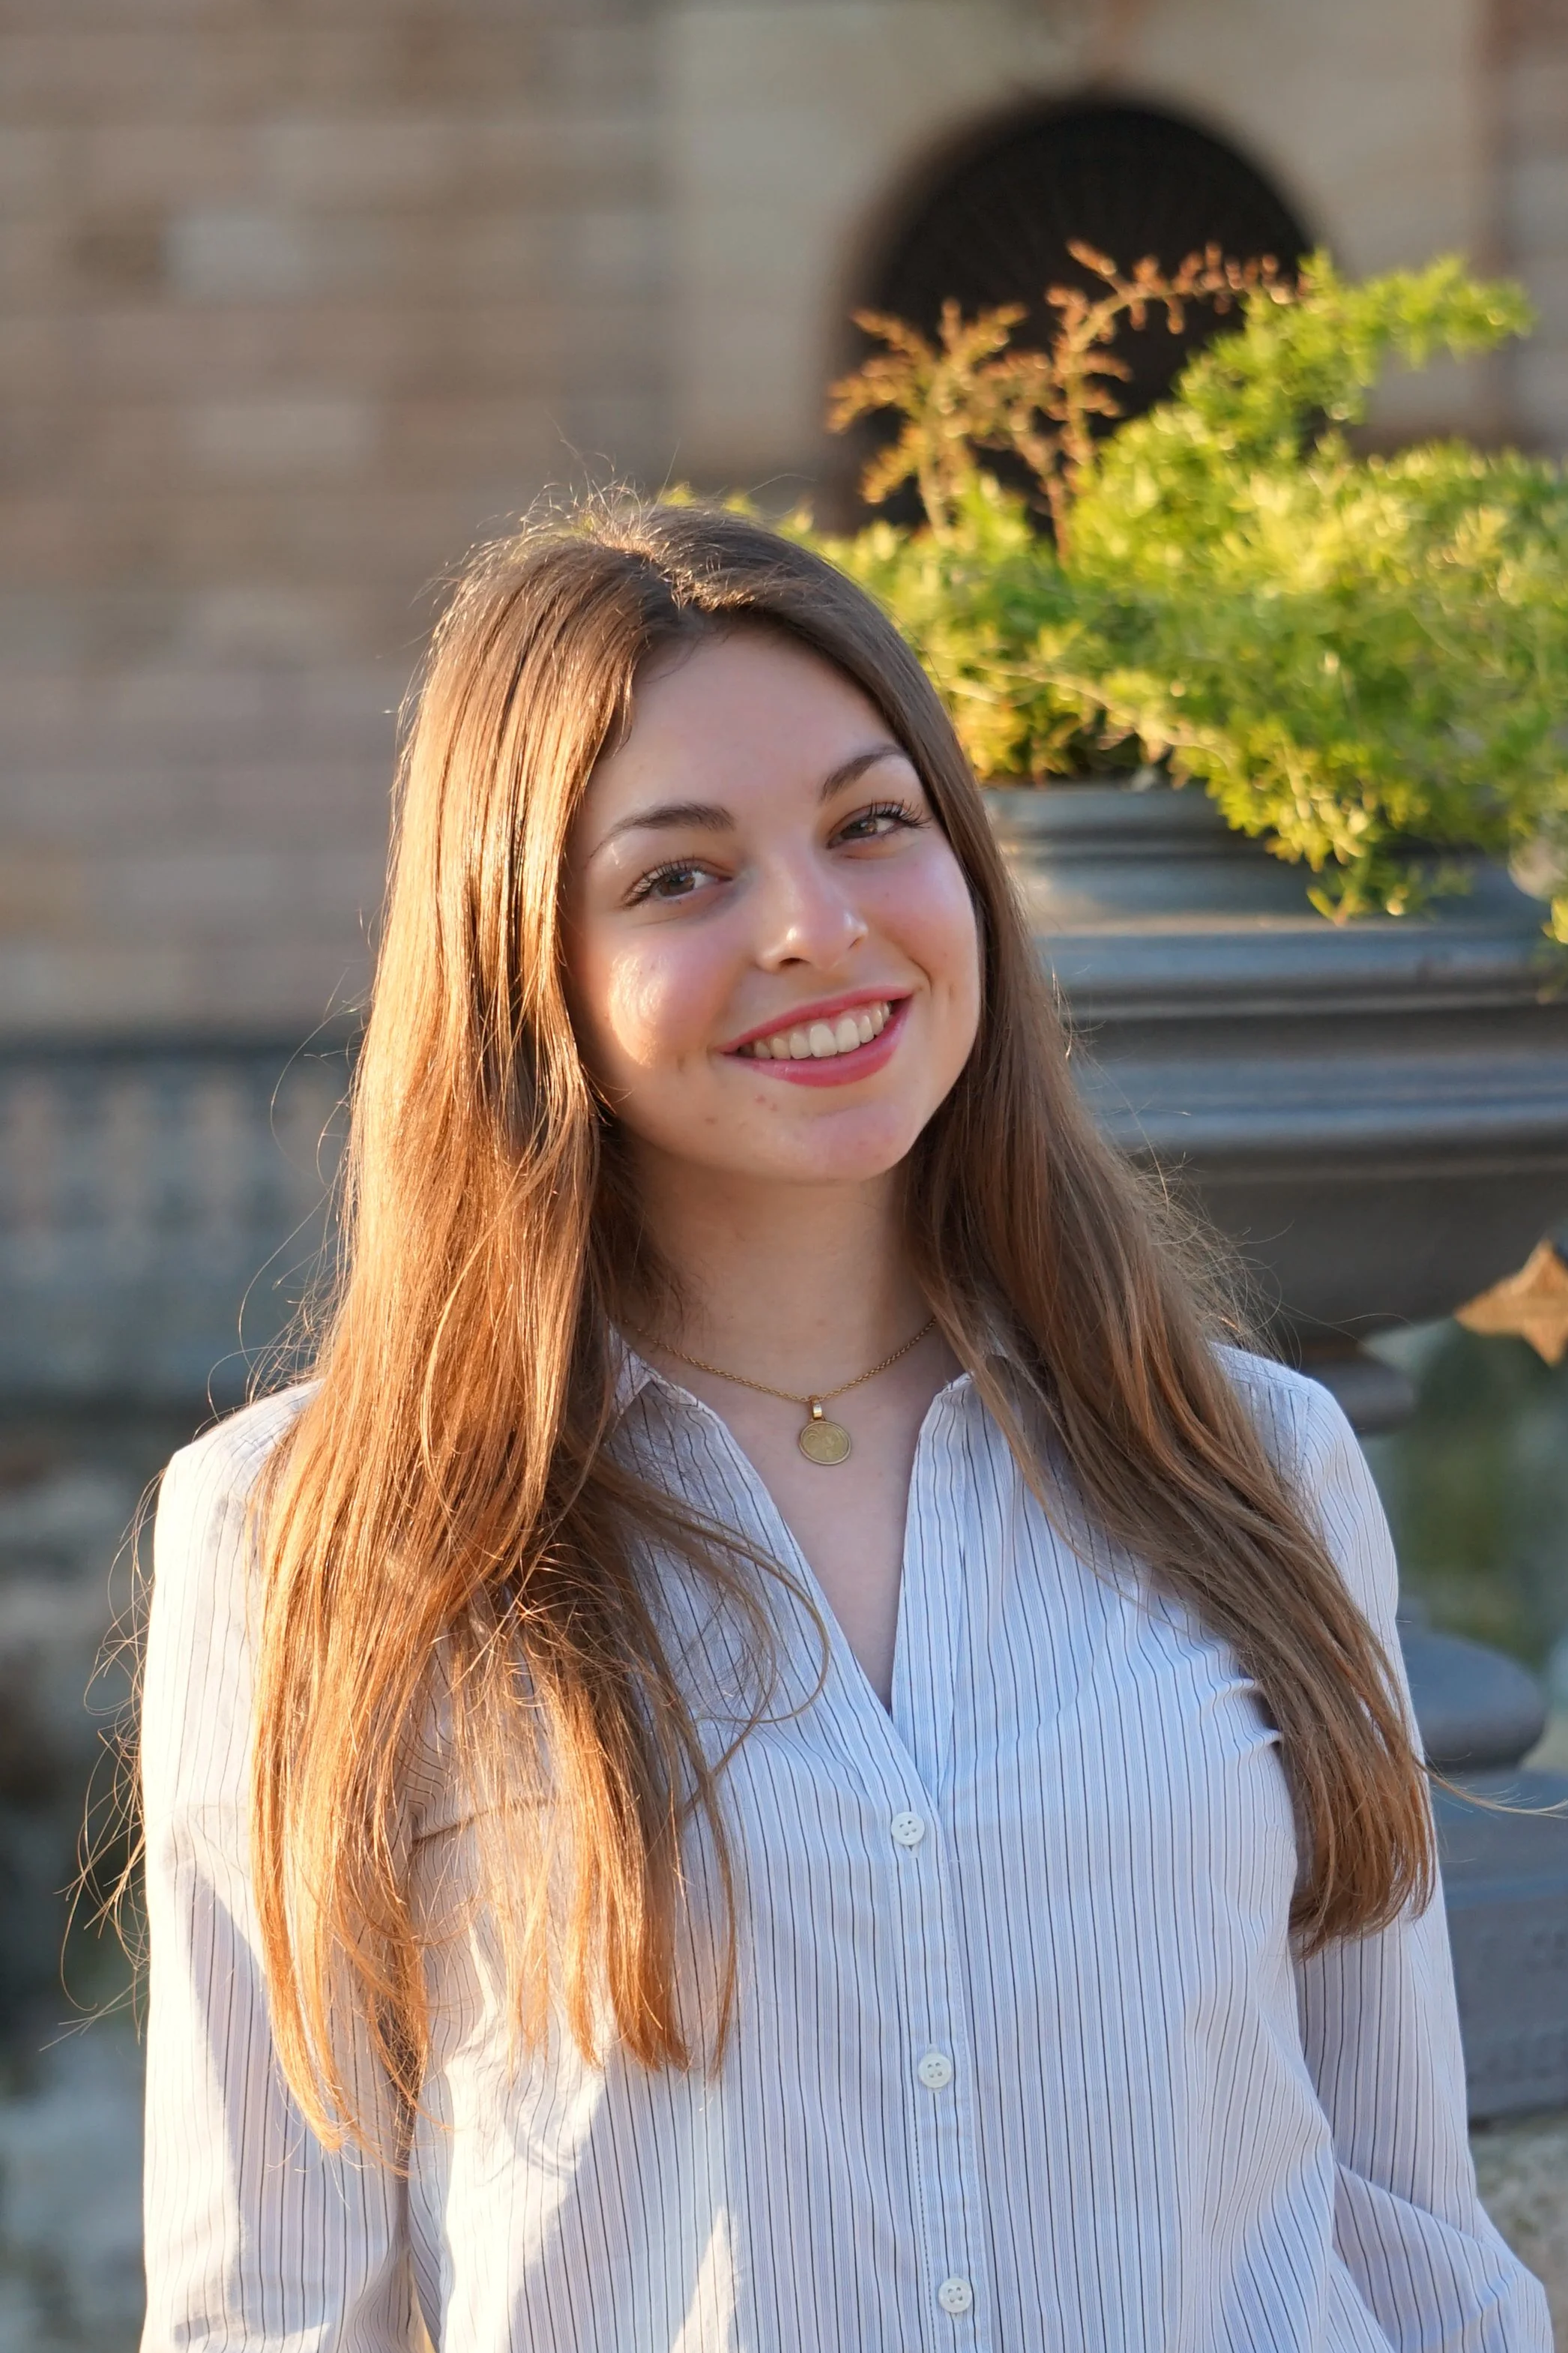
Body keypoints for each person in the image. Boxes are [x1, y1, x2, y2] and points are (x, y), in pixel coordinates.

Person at [139, 502, 1549, 2352]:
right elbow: (278, 2304)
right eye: (677, 877)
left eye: (872, 826)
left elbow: (1402, 2227)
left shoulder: (1254, 1465)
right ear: (518, 966)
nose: (815, 929)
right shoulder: (313, 1533)